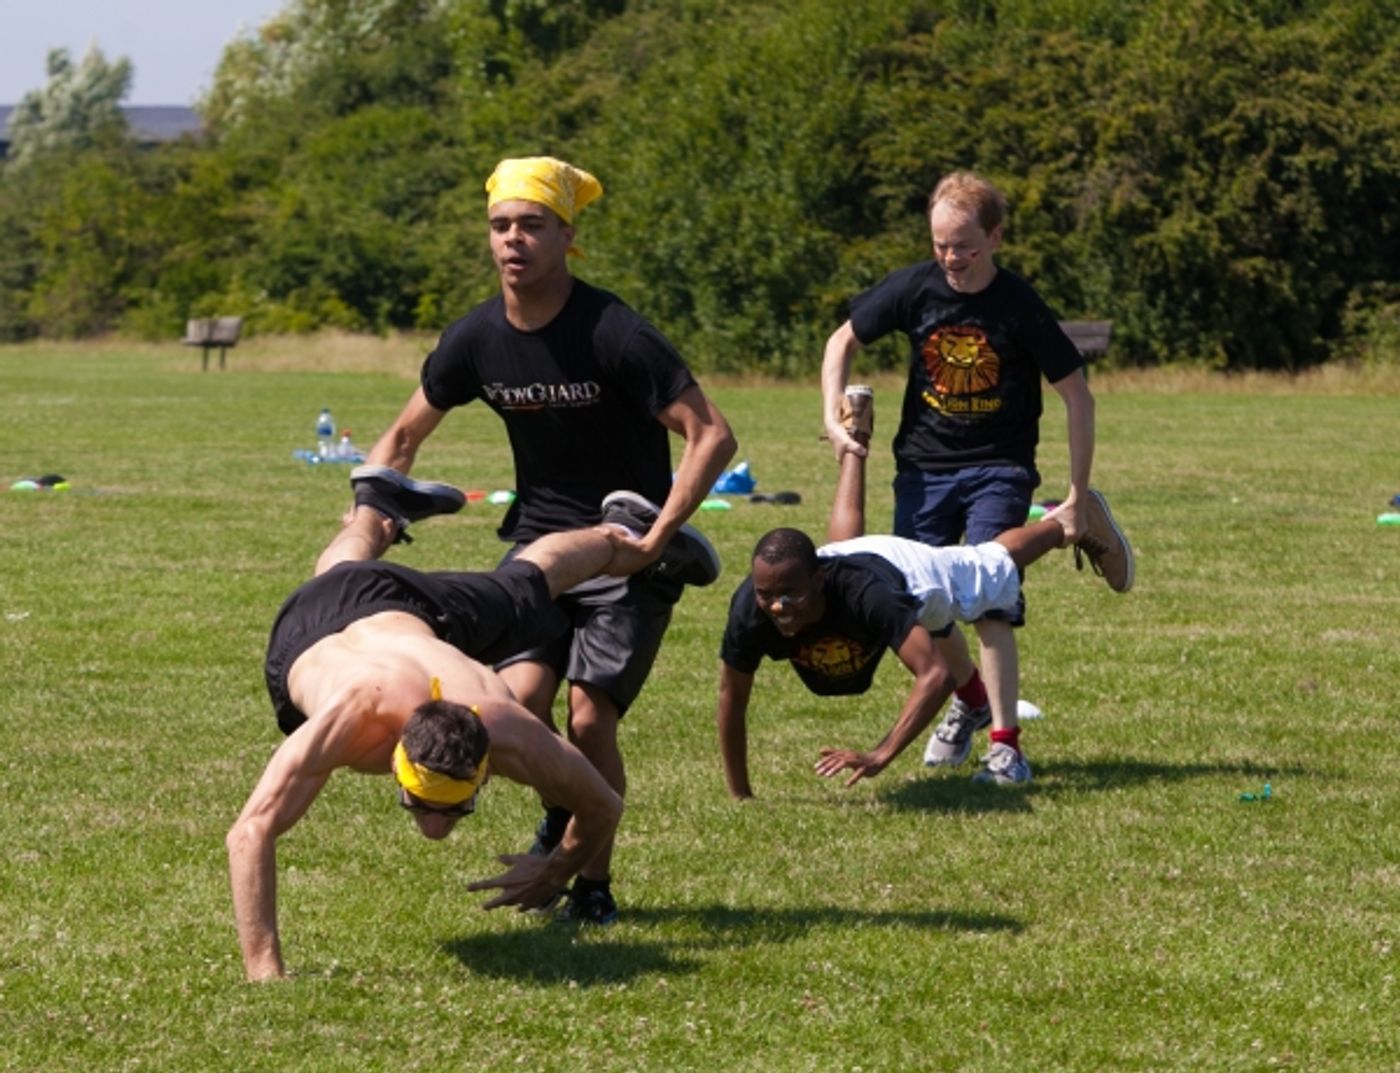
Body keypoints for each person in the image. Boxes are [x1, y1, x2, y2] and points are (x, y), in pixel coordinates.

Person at [360, 156, 736, 922]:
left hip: (627, 542)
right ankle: (563, 808)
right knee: (513, 704)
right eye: (501, 225)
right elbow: (401, 435)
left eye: (532, 225)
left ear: (567, 235)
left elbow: (712, 434)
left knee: (590, 717)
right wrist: (367, 518)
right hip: (538, 542)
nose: (513, 239)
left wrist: (657, 537)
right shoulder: (476, 338)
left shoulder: (614, 331)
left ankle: (591, 884)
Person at [228, 467, 681, 981]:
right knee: (337, 575)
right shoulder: (351, 717)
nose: (435, 830)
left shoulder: (507, 726)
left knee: (525, 584)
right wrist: (265, 972)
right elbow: (250, 831)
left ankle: (623, 533)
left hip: (405, 606)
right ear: (397, 759)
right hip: (315, 626)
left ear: (486, 766)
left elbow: (604, 806)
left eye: (456, 809)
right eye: (420, 804)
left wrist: (554, 872)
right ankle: (378, 505)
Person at [820, 169, 1124, 786]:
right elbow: (841, 341)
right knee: (924, 603)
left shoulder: (1019, 304)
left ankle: (1006, 747)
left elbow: (1078, 397)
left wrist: (1073, 492)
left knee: (989, 598)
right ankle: (970, 699)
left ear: (996, 237)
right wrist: (832, 415)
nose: (951, 259)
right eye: (941, 246)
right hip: (923, 470)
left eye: (964, 246)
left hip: (999, 467)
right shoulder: (915, 288)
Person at [715, 418, 1132, 796]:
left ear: (817, 581)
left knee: (987, 563)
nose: (779, 607)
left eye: (791, 595)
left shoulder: (871, 594)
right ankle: (857, 444)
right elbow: (731, 700)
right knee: (842, 546)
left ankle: (1069, 522)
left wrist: (881, 755)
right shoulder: (752, 609)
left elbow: (934, 675)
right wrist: (741, 796)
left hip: (905, 569)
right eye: (767, 595)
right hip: (847, 563)